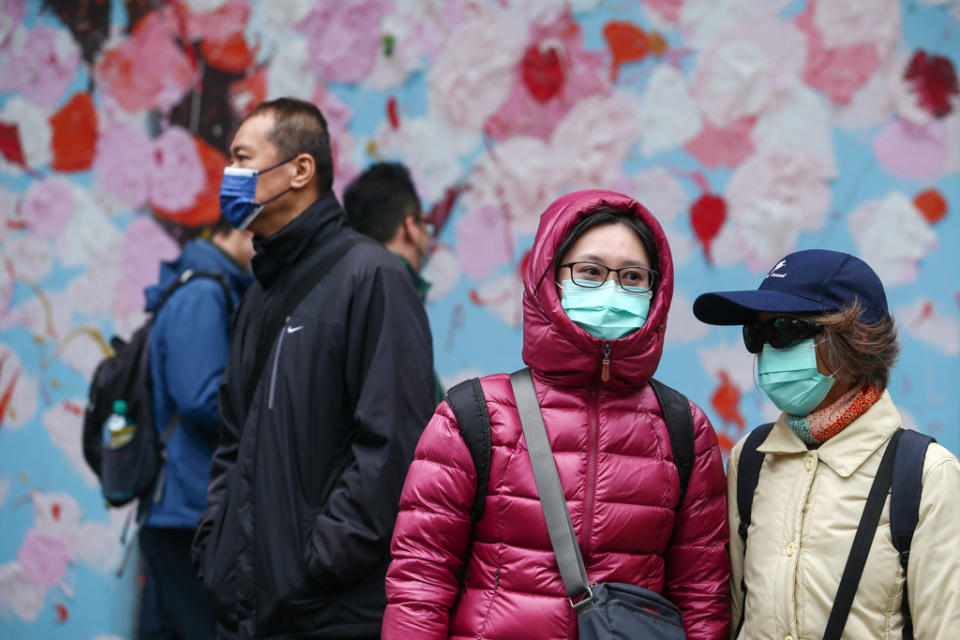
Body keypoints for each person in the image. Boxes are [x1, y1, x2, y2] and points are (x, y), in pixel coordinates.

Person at [383, 189, 730, 639]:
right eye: (589, 271)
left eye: (631, 277)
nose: (611, 289)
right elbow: (421, 582)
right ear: (550, 279)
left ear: (656, 291)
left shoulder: (683, 427)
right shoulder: (475, 415)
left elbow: (701, 595)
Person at [191, 97, 436, 639]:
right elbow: (232, 442)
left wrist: (313, 563)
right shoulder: (260, 291)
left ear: (300, 169)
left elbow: (394, 447)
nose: (229, 176)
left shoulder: (371, 278)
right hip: (249, 610)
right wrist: (218, 545)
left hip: (330, 613)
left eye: (241, 157)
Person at [692, 249, 960, 639]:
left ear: (855, 337)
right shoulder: (749, 459)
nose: (767, 349)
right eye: (756, 333)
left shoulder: (927, 474)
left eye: (783, 329)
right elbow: (732, 617)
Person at [139, 221, 254, 640]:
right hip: (189, 508)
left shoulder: (206, 285)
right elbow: (200, 397)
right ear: (236, 231)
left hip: (176, 505)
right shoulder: (206, 291)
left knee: (161, 629)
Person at [343, 162, 443, 405]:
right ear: (410, 227)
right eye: (424, 224)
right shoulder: (395, 295)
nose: (428, 236)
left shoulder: (345, 291)